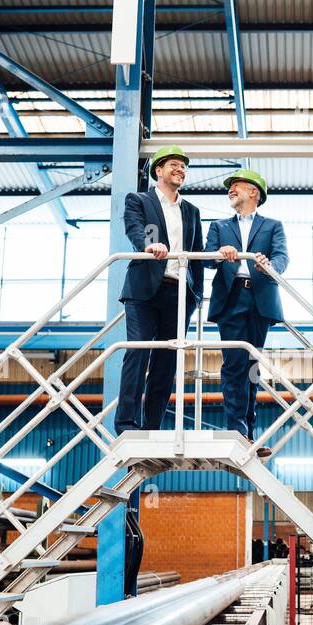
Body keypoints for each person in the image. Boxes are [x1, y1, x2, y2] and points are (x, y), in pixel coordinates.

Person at [116, 145, 205, 434]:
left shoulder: (191, 211)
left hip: (179, 294)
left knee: (167, 361)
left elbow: (197, 253)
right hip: (144, 291)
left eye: (183, 167)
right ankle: (127, 423)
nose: (180, 170)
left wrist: (196, 294)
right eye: (174, 165)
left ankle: (152, 425)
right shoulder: (140, 201)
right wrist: (148, 243)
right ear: (159, 170)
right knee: (138, 352)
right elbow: (135, 228)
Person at [204, 168, 288, 456]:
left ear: (254, 192)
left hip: (260, 299)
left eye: (236, 185)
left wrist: (269, 264)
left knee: (252, 367)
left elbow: (282, 257)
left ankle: (247, 433)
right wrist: (219, 253)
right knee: (233, 365)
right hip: (231, 298)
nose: (230, 190)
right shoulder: (219, 227)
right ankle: (236, 430)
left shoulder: (273, 225)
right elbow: (207, 260)